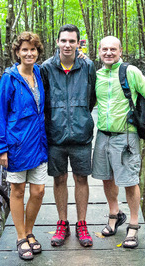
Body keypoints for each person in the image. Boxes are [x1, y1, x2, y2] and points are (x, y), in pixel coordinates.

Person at [92, 36, 145, 249]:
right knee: (107, 178)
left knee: (130, 181)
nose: (108, 53)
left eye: (113, 49)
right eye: (104, 49)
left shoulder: (130, 72)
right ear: (99, 52)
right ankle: (114, 213)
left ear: (120, 51)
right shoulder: (96, 75)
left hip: (126, 136)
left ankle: (133, 224)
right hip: (103, 135)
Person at [0, 31, 48, 260]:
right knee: (18, 190)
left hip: (39, 142)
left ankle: (30, 231)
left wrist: (82, 58)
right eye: (24, 49)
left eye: (33, 49)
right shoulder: (9, 78)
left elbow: (61, 63)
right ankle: (21, 237)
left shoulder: (40, 74)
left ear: (38, 52)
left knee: (39, 191)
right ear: (17, 52)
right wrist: (0, 148)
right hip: (16, 143)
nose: (29, 53)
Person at [40, 24, 97, 247]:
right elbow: (43, 99)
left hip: (81, 133)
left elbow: (92, 98)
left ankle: (81, 224)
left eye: (72, 41)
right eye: (63, 40)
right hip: (55, 132)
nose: (67, 45)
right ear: (57, 42)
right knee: (59, 178)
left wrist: (80, 114)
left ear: (78, 43)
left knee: (81, 178)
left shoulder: (88, 66)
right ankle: (62, 223)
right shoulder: (46, 68)